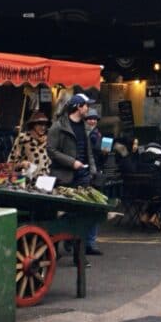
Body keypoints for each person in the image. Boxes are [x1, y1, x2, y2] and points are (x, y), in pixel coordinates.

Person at [48, 95, 104, 254]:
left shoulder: (86, 127)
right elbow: (51, 151)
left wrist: (92, 170)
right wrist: (71, 162)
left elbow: (89, 153)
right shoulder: (58, 127)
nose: (88, 109)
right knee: (64, 212)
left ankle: (80, 253)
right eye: (86, 106)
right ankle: (62, 242)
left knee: (84, 213)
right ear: (78, 107)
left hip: (83, 175)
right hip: (64, 176)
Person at [10, 111, 52, 179]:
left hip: (44, 181)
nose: (43, 127)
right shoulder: (23, 139)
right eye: (40, 124)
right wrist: (22, 164)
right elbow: (11, 164)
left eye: (45, 125)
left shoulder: (48, 140)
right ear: (33, 125)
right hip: (26, 181)